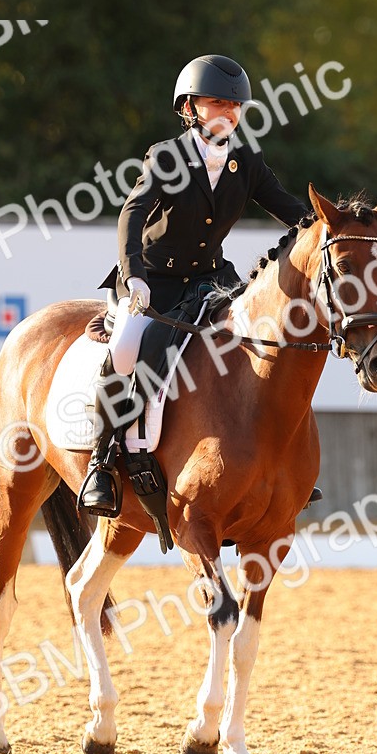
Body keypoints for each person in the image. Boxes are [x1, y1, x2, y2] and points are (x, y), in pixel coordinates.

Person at [79, 53, 310, 515]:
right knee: (127, 350)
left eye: (236, 105)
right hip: (154, 281)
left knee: (260, 352)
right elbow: (133, 213)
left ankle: (272, 466)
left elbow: (290, 209)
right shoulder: (167, 156)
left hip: (210, 281)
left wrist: (330, 225)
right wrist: (133, 276)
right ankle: (102, 463)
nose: (229, 112)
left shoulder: (246, 160)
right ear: (190, 107)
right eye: (217, 102)